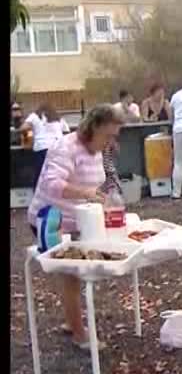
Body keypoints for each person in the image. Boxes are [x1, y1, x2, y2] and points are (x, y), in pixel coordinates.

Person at [27, 104, 125, 350]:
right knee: (71, 274)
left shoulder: (100, 150)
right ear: (93, 128)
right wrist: (86, 193)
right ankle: (79, 334)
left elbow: (97, 183)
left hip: (79, 219)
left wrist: (105, 199)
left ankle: (72, 322)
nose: (111, 141)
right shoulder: (66, 147)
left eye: (115, 136)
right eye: (108, 135)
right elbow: (52, 184)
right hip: (50, 220)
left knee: (79, 272)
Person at [18, 103, 71, 190]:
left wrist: (27, 139)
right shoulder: (58, 118)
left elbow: (23, 128)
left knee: (40, 174)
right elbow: (67, 133)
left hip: (42, 148)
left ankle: (38, 195)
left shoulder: (34, 116)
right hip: (58, 148)